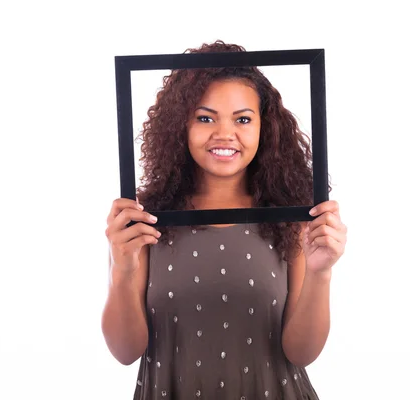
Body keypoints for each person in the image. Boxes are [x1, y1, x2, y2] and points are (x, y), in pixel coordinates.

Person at [102, 40, 347, 399]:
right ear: (180, 126)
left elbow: (302, 352)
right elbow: (124, 352)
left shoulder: (293, 217)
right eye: (205, 118)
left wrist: (321, 273)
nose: (224, 134)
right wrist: (121, 272)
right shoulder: (141, 220)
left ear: (266, 127)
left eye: (243, 119)